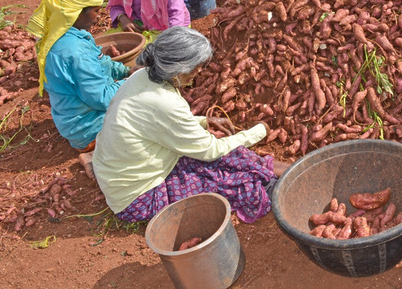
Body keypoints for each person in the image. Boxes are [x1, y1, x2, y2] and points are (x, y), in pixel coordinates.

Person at [93, 26, 290, 223]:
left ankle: (266, 168)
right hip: (138, 197)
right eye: (196, 66)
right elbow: (210, 150)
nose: (199, 71)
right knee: (223, 181)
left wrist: (204, 121)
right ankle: (268, 182)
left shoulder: (143, 76)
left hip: (131, 168)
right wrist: (258, 132)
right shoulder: (164, 101)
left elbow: (158, 123)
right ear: (178, 69)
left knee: (226, 153)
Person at [28, 0, 131, 178]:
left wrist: (125, 71)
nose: (98, 17)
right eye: (95, 11)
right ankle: (95, 154)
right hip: (88, 127)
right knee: (148, 114)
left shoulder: (69, 34)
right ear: (77, 12)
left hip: (73, 120)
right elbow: (101, 98)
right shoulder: (76, 52)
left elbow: (103, 63)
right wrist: (131, 83)